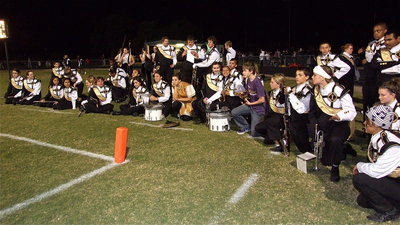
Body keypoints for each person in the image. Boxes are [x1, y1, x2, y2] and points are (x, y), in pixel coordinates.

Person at [353, 104, 400, 222]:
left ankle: (390, 211)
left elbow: (376, 171)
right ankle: (396, 205)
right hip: (393, 179)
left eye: (368, 121)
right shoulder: (379, 136)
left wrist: (359, 166)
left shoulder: (391, 145)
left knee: (360, 179)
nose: (364, 123)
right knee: (362, 201)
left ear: (378, 125)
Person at [310, 65, 357, 182]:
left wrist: (339, 116)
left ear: (322, 77)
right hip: (324, 125)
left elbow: (352, 111)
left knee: (335, 141)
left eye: (315, 75)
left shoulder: (339, 90)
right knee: (326, 160)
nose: (312, 77)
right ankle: (344, 148)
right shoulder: (316, 90)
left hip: (339, 125)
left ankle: (335, 168)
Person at [231, 62, 267, 137]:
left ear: (251, 71)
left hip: (258, 109)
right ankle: (245, 126)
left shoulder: (257, 82)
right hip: (250, 106)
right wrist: (243, 95)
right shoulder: (247, 80)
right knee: (234, 112)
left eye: (245, 70)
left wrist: (250, 104)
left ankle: (265, 127)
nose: (243, 72)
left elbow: (262, 100)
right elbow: (249, 93)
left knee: (254, 134)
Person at [255, 73, 285, 152]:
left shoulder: (283, 94)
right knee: (258, 127)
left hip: (282, 116)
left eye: (272, 82)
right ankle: (271, 138)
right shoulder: (271, 92)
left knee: (271, 122)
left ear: (278, 84)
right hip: (273, 115)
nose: (270, 83)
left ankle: (281, 144)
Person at [363, 23, 388, 119]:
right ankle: (367, 125)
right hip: (369, 76)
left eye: (378, 31)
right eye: (374, 31)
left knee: (378, 101)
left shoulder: (387, 43)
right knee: (367, 102)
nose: (376, 33)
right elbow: (368, 58)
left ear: (385, 31)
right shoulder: (371, 44)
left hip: (379, 77)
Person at [287, 68, 313, 153]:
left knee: (301, 137)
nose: (297, 77)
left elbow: (303, 109)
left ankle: (307, 150)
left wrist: (290, 94)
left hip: (303, 118)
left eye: (300, 75)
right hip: (294, 116)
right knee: (295, 135)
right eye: (296, 75)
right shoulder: (295, 88)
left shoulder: (308, 89)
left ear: (307, 77)